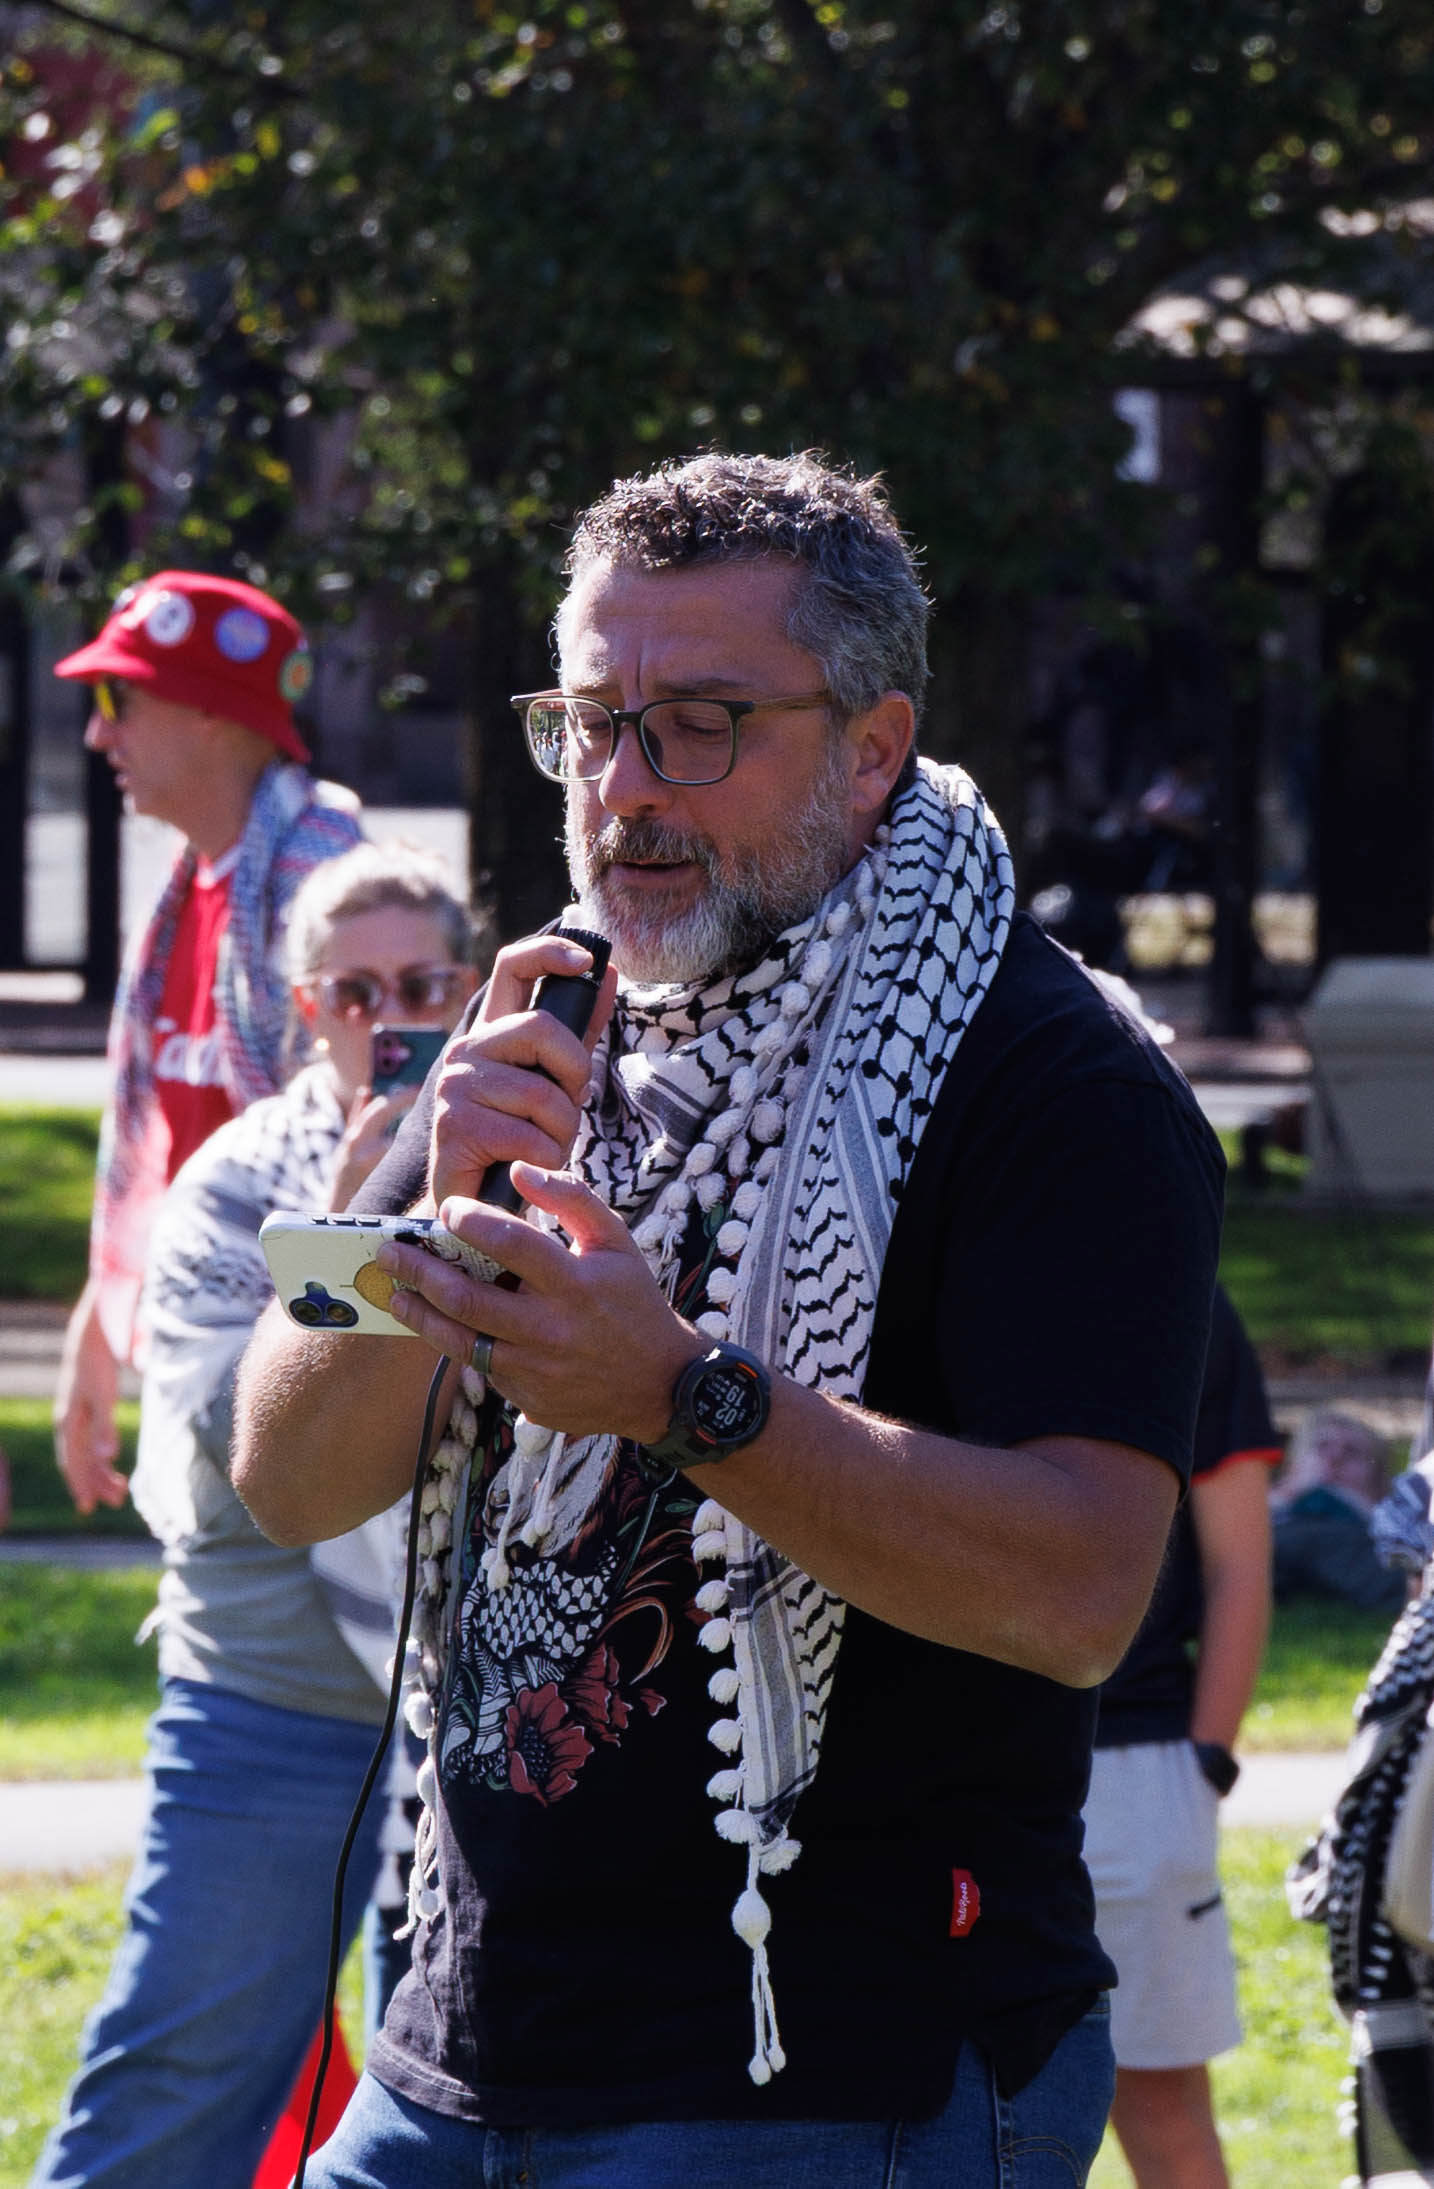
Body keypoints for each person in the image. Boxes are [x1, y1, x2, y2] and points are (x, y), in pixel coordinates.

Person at [233, 449, 1224, 2189]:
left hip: (831, 2074)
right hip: (455, 2046)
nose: (623, 789)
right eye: (590, 719)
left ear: (870, 740)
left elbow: (1079, 1592)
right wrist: (414, 1213)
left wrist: (683, 1392)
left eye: (697, 722)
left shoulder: (1052, 1076)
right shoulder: (529, 1016)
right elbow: (280, 1472)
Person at [31, 842, 481, 2189]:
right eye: (352, 990)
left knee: (463, 2111)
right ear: (301, 1009)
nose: (382, 1018)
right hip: (273, 1698)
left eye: (420, 984)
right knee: (178, 2083)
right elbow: (242, 1461)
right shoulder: (240, 1179)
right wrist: (352, 1226)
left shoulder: (529, 1159)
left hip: (476, 1704)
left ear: (466, 989)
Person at [50, 569, 364, 1519]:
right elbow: (168, 1142)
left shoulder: (329, 892)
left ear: (208, 712)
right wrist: (98, 1324)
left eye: (118, 698)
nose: (98, 732)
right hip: (206, 1348)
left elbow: (368, 1151)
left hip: (294, 1371)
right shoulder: (191, 888)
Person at [1083, 1283, 1280, 2189]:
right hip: (942, 1769)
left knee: (1164, 2119)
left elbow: (1242, 1560)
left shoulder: (1185, 1294)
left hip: (1137, 1769)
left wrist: (1207, 1757)